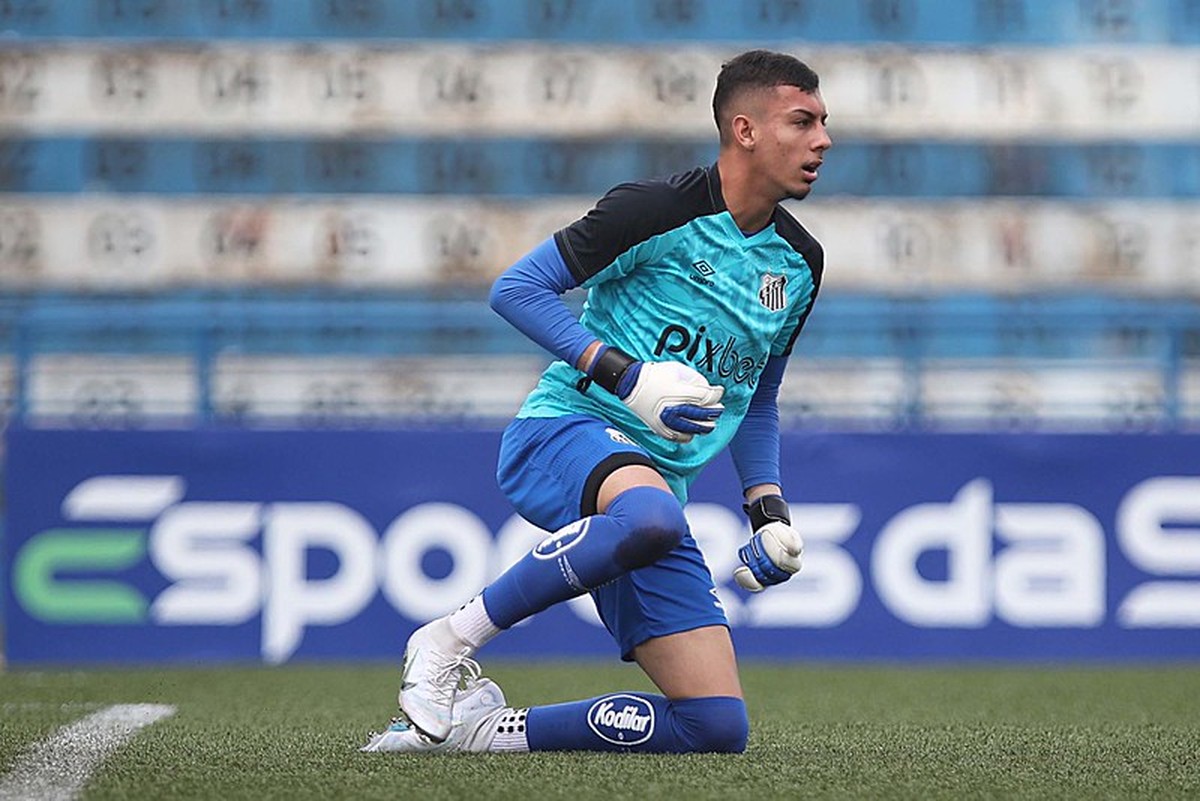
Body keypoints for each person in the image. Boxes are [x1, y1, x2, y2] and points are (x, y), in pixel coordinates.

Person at [363, 49, 831, 755]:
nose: (823, 138)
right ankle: (444, 640)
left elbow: (757, 400)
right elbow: (516, 289)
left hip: (653, 504)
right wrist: (627, 377)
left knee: (714, 725)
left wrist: (768, 512)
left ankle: (482, 731)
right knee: (649, 516)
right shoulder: (656, 209)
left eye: (824, 122)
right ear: (745, 130)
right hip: (565, 430)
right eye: (804, 121)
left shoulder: (799, 262)